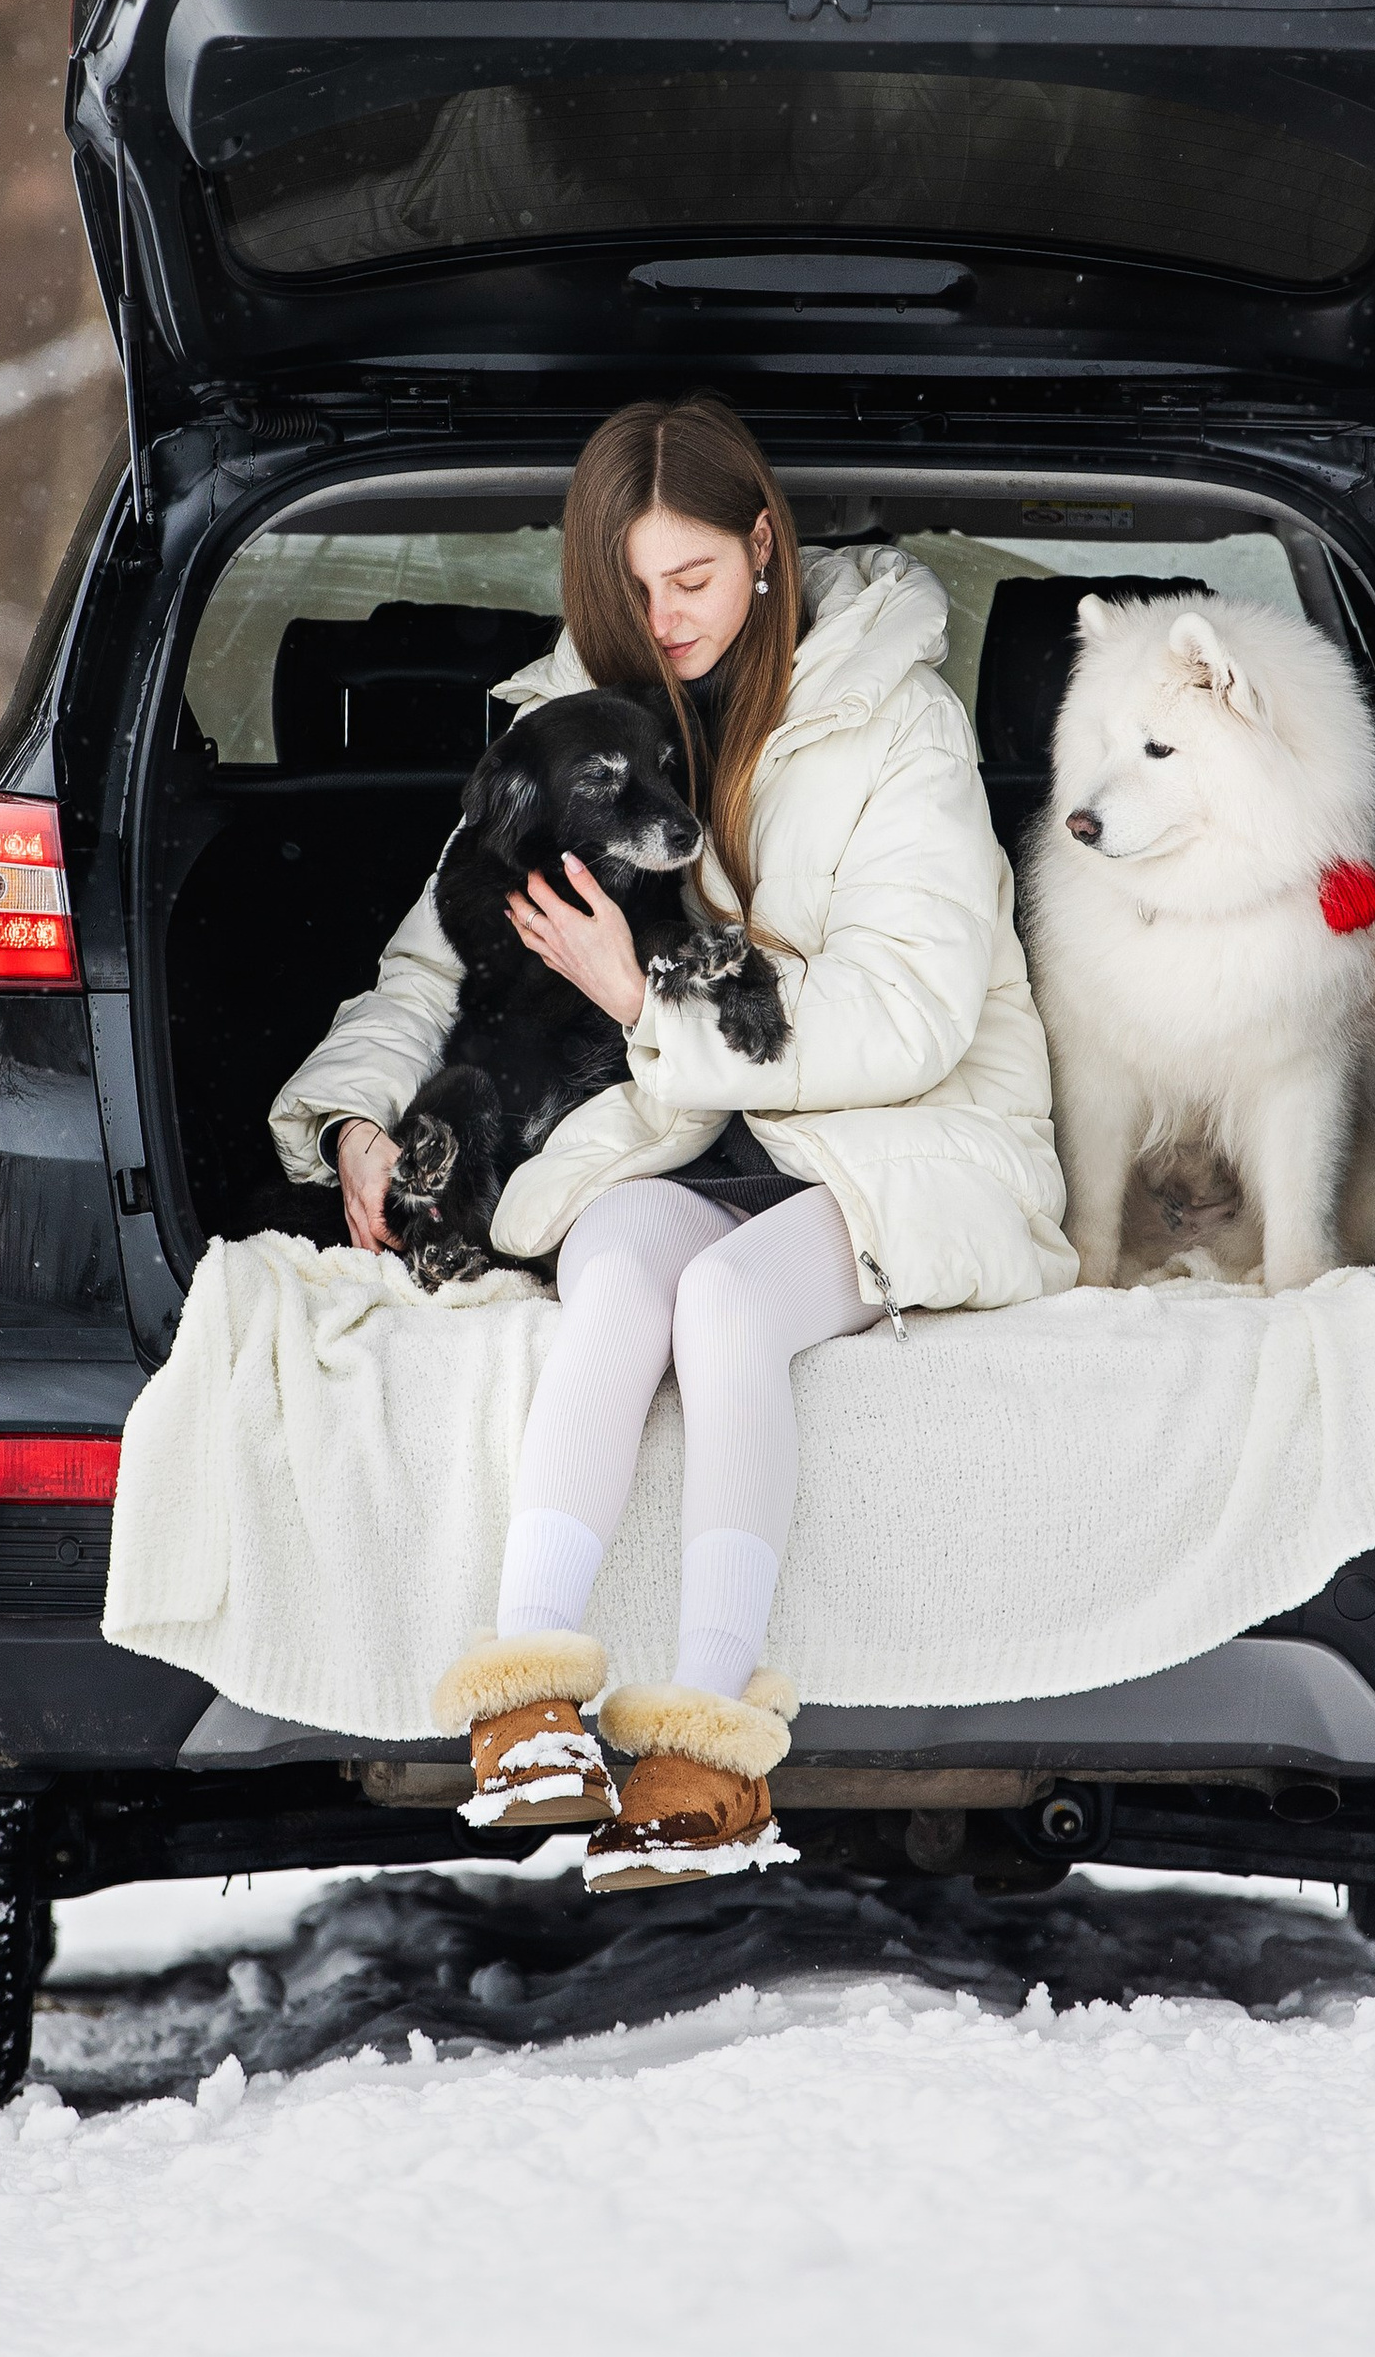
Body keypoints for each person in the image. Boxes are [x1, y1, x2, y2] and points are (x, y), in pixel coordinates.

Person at [268, 399, 1071, 1888]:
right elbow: (431, 969)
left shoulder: (897, 725)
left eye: (691, 578)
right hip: (682, 1145)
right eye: (630, 589)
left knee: (718, 1301)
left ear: (764, 545)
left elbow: (909, 1015)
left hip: (904, 1141)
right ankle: (528, 1704)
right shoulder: (573, 733)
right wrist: (358, 1119)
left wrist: (643, 998)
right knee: (622, 1252)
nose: (662, 620)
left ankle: (709, 1753)